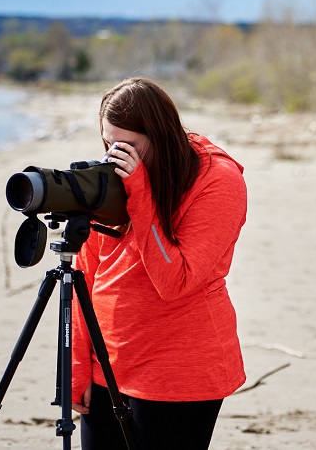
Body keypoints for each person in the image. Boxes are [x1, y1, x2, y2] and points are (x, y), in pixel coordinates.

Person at [71, 77, 248, 450]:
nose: (114, 153)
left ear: (160, 134)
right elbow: (85, 272)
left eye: (128, 144)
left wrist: (140, 193)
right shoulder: (116, 171)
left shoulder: (218, 180)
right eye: (108, 141)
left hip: (180, 369)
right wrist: (76, 366)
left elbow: (176, 280)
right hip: (108, 362)